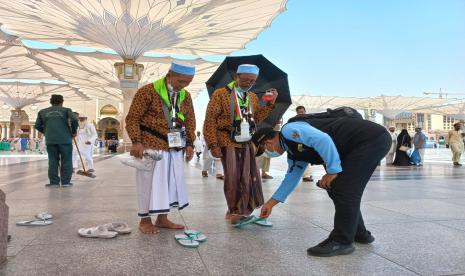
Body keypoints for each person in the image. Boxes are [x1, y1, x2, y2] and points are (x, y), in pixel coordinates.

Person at [252, 110, 391, 257]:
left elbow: (322, 140)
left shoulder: (288, 130)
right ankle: (359, 233)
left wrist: (332, 171)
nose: (268, 153)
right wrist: (271, 203)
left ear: (267, 142)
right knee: (337, 188)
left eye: (264, 150)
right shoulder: (292, 151)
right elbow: (291, 177)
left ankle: (341, 241)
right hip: (357, 146)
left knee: (344, 188)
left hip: (371, 139)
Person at [126, 62, 196, 234]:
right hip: (151, 145)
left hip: (174, 147)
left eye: (188, 82)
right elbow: (133, 118)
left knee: (169, 184)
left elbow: (190, 121)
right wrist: (136, 141)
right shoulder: (148, 91)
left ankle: (162, 219)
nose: (184, 86)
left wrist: (190, 143)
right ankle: (144, 220)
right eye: (181, 81)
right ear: (170, 74)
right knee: (148, 184)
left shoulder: (185, 96)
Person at [203, 64, 277, 224]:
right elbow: (210, 119)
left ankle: (242, 209)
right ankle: (234, 210)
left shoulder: (252, 97)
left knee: (249, 177)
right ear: (236, 77)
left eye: (252, 81)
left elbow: (256, 119)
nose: (248, 83)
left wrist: (270, 105)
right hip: (226, 139)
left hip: (246, 141)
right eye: (245, 80)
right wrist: (213, 144)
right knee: (233, 177)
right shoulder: (221, 94)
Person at [34, 94, 78, 187]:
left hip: (51, 140)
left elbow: (37, 126)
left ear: (51, 102)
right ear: (62, 102)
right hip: (65, 140)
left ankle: (54, 182)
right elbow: (74, 119)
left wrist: (46, 132)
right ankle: (65, 182)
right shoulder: (66, 110)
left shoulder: (42, 112)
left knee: (52, 160)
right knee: (66, 160)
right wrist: (73, 131)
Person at [296, 105, 313, 182]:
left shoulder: (309, 119)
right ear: (297, 113)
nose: (301, 113)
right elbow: (294, 133)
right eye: (299, 112)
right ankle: (306, 176)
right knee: (303, 157)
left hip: (307, 142)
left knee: (306, 157)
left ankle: (306, 174)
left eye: (302, 112)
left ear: (305, 111)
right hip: (299, 143)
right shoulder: (295, 121)